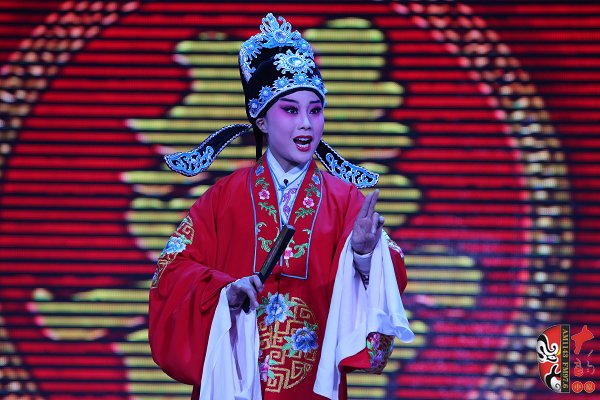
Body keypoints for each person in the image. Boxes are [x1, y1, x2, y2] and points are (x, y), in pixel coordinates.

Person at [148, 13, 414, 400]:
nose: (306, 123)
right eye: (290, 110)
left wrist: (363, 255)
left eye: (315, 110)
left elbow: (388, 280)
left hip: (312, 384)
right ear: (261, 119)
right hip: (236, 376)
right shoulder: (223, 197)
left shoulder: (345, 201)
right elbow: (172, 270)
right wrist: (223, 292)